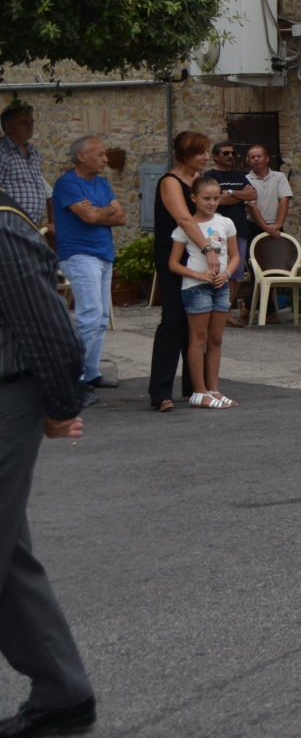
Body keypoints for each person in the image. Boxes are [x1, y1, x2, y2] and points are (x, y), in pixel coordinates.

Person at [0, 182, 97, 737]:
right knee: (8, 552)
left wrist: (62, 405)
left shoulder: (4, 228)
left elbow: (49, 328)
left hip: (8, 393)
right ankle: (62, 692)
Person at [53, 137, 124, 401]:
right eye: (100, 154)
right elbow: (90, 217)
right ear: (82, 156)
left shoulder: (102, 183)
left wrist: (98, 211)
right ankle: (74, 378)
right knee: (90, 314)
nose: (106, 159)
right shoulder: (67, 183)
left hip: (103, 253)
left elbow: (122, 215)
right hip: (79, 254)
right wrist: (102, 213)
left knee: (101, 315)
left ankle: (91, 371)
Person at [148, 132, 213, 412]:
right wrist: (209, 249)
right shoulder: (170, 182)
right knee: (173, 321)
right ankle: (161, 391)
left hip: (198, 259)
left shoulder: (198, 181)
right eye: (201, 152)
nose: (206, 157)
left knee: (196, 324)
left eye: (207, 152)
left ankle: (192, 388)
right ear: (186, 154)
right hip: (176, 258)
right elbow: (184, 219)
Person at [168, 178, 241, 408]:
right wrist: (198, 275)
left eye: (216, 198)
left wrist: (227, 274)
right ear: (193, 198)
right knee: (198, 339)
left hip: (220, 286)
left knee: (216, 339)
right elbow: (173, 264)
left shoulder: (226, 222)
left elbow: (235, 256)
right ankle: (198, 392)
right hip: (196, 287)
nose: (212, 203)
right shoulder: (185, 227)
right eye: (206, 198)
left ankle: (213, 389)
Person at [204, 144, 254, 324]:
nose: (230, 156)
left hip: (238, 230)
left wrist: (229, 193)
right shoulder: (210, 176)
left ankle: (226, 312)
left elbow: (252, 195)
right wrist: (239, 194)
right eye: (226, 153)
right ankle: (210, 310)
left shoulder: (240, 176)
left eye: (233, 153)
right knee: (215, 270)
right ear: (216, 156)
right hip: (215, 232)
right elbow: (215, 200)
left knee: (233, 273)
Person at [0, 104, 50, 226]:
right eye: (24, 123)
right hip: (9, 225)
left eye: (31, 123)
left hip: (31, 225)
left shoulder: (33, 152)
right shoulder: (2, 152)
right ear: (8, 127)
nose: (30, 127)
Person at [242, 145, 292, 248]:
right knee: (254, 262)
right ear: (249, 161)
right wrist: (266, 227)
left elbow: (284, 201)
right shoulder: (245, 180)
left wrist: (278, 224)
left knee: (277, 260)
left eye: (259, 156)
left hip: (276, 226)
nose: (256, 159)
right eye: (253, 157)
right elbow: (251, 206)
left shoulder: (279, 177)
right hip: (254, 227)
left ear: (267, 158)